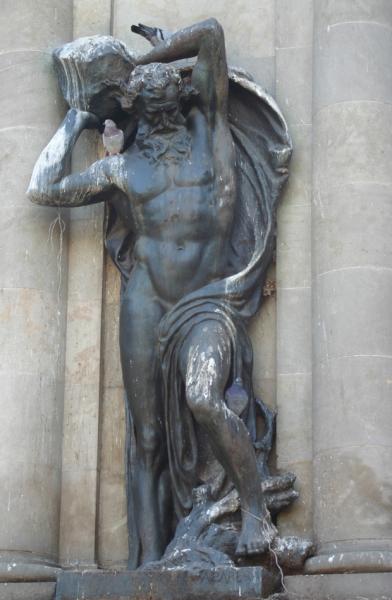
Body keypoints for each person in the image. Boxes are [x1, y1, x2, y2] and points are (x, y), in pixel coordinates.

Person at [28, 19, 286, 567]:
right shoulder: (123, 168)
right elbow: (42, 187)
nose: (159, 89)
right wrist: (77, 118)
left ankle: (257, 510)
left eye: (169, 81)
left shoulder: (212, 134)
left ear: (183, 92)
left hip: (207, 304)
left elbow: (213, 34)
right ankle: (147, 563)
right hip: (145, 302)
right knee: (145, 437)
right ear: (135, 109)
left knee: (202, 397)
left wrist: (142, 61)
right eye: (146, 91)